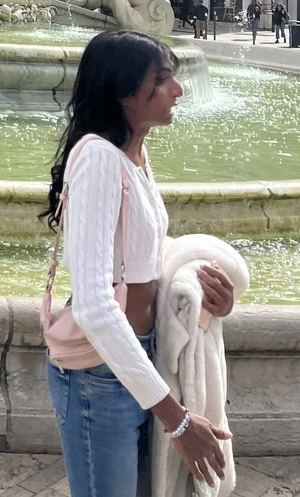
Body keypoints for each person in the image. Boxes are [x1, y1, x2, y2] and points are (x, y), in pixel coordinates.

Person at [43, 30, 236, 494]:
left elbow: (145, 256)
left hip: (140, 358)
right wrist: (177, 420)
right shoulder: (99, 159)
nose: (178, 90)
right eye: (162, 79)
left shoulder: (134, 156)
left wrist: (205, 293)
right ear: (125, 92)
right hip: (99, 373)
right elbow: (93, 305)